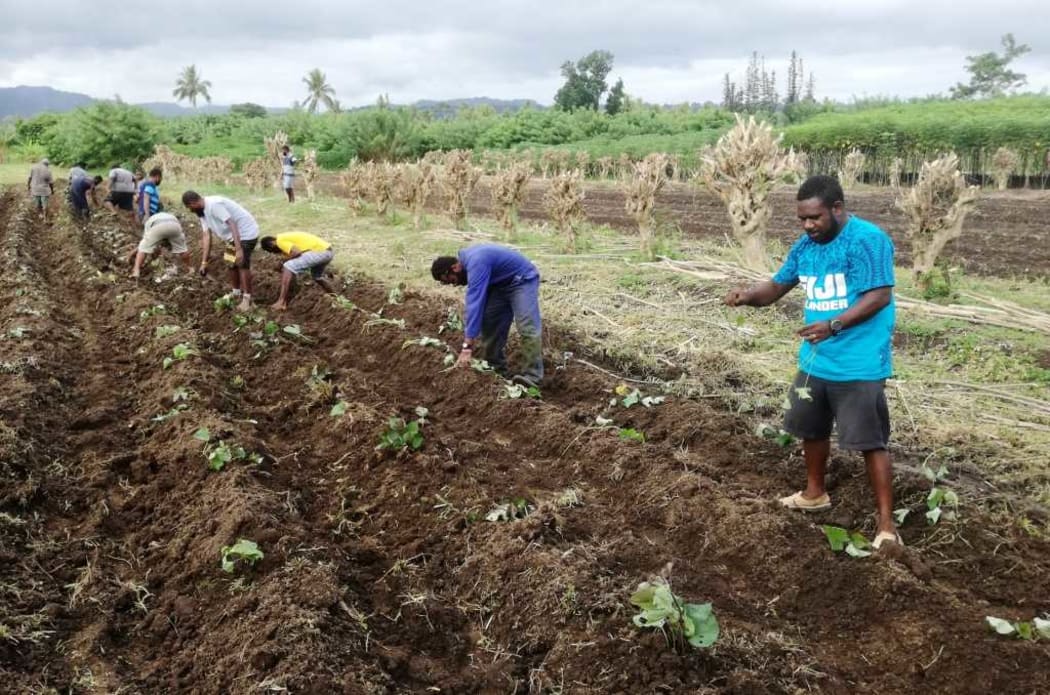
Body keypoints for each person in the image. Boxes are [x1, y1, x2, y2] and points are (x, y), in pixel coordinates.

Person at [723, 175, 899, 549]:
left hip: (859, 362)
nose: (808, 226)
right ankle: (814, 494)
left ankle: (886, 527)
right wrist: (747, 295)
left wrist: (834, 325)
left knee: (871, 441)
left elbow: (880, 296)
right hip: (816, 359)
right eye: (802, 218)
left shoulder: (867, 241)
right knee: (811, 428)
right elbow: (777, 286)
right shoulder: (806, 247)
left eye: (815, 217)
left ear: (837, 208)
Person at [431, 244, 543, 387]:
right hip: (499, 286)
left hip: (521, 280)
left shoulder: (476, 263)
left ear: (455, 268)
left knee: (527, 326)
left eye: (453, 281)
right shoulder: (467, 260)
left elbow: (474, 303)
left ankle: (532, 376)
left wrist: (467, 347)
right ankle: (496, 369)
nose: (456, 285)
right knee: (489, 322)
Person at [182, 191, 260, 311]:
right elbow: (207, 236)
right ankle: (235, 293)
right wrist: (204, 262)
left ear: (193, 203)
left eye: (189, 207)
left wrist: (239, 249)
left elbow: (232, 224)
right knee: (230, 263)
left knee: (241, 264)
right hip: (232, 237)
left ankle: (247, 300)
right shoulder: (202, 213)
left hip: (245, 233)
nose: (190, 210)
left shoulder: (214, 205)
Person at [259, 232, 336, 310]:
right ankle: (335, 297)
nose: (275, 253)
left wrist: (283, 262)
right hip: (327, 252)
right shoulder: (285, 237)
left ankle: (281, 302)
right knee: (317, 277)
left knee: (288, 266)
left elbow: (296, 252)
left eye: (272, 251)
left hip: (320, 252)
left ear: (271, 244)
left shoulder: (280, 241)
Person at [130, 212, 193, 279]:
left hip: (158, 226)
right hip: (175, 226)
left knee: (143, 249)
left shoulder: (148, 222)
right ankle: (190, 268)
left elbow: (144, 245)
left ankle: (136, 270)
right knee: (182, 250)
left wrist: (133, 252)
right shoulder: (170, 216)